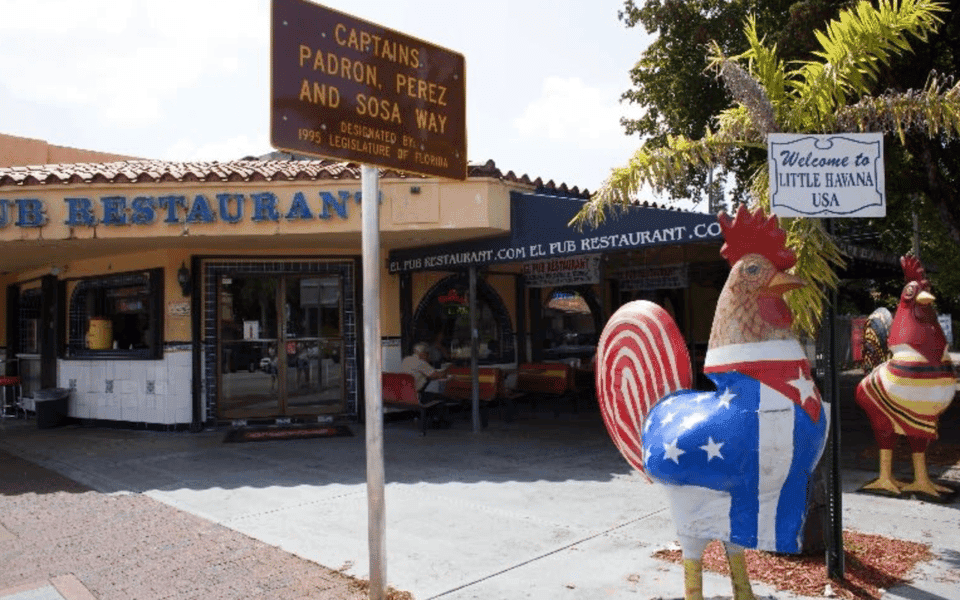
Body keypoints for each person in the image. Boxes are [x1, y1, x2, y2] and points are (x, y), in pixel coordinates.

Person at [401, 342, 451, 427]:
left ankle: (425, 418)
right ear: (423, 353)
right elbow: (436, 375)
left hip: (404, 394)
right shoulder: (421, 363)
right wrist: (449, 369)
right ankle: (437, 422)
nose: (428, 355)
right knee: (440, 397)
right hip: (415, 396)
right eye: (427, 353)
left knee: (429, 395)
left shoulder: (406, 360)